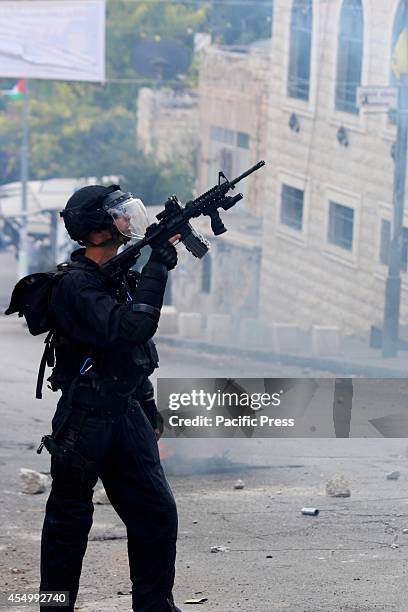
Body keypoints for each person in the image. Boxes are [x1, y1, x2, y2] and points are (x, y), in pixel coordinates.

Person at [39, 184, 182, 612]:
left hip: (127, 411)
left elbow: (132, 354)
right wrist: (157, 268)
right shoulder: (75, 287)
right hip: (85, 420)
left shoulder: (116, 276)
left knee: (157, 515)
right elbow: (129, 329)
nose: (127, 220)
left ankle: (156, 607)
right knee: (68, 526)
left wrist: (148, 406)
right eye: (117, 215)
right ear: (97, 233)